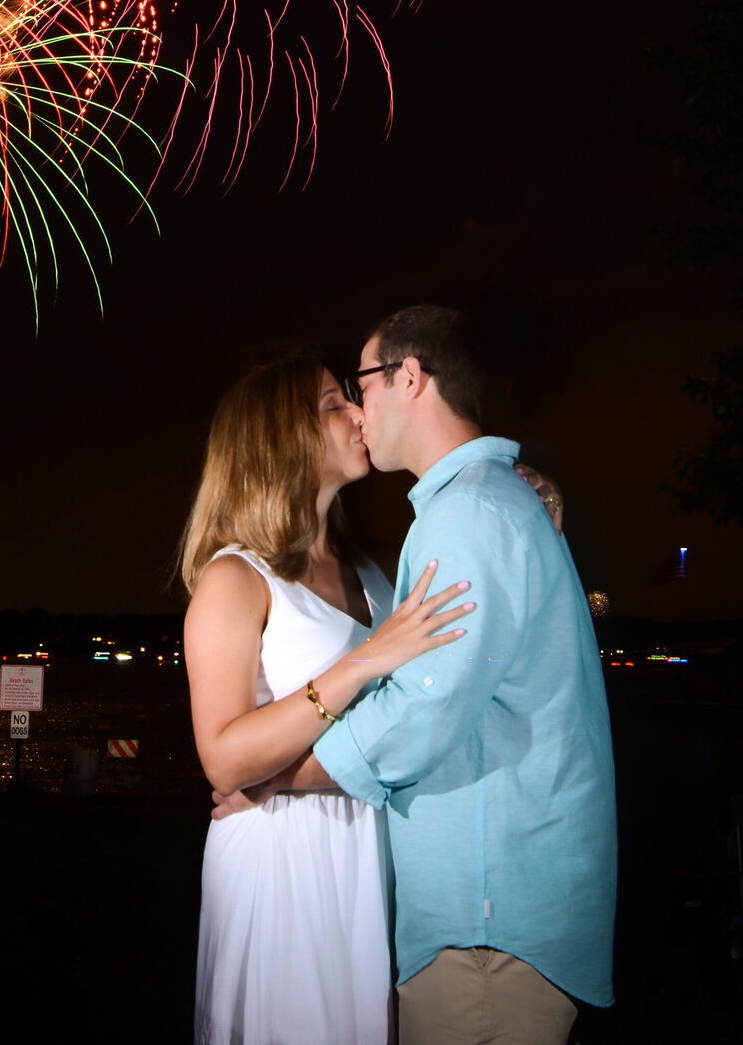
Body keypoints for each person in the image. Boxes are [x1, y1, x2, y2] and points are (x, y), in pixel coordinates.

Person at [213, 308, 615, 1045]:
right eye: (335, 403)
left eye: (356, 388)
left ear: (408, 377)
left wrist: (282, 778)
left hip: (484, 909)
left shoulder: (458, 519)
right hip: (371, 884)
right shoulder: (470, 510)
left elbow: (424, 705)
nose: (359, 412)